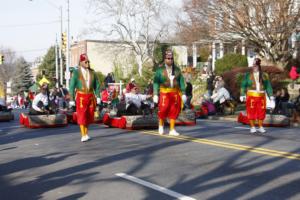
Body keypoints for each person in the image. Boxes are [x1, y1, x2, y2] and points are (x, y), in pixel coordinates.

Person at [153, 50, 186, 136]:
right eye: (168, 58)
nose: (170, 60)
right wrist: (155, 94)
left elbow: (181, 81)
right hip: (164, 92)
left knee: (174, 110)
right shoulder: (160, 70)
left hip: (174, 93)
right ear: (164, 59)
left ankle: (172, 129)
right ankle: (160, 125)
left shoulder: (177, 70)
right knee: (163, 109)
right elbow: (156, 82)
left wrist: (184, 93)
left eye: (171, 58)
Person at [69, 53, 101, 142]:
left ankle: (86, 133)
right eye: (85, 62)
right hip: (81, 96)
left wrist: (98, 96)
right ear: (81, 62)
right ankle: (83, 134)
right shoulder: (76, 72)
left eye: (88, 62)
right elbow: (71, 86)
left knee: (89, 115)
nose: (87, 63)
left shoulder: (93, 72)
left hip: (91, 96)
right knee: (82, 115)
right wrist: (71, 99)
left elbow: (97, 86)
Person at [240, 58, 275, 133]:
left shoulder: (264, 75)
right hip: (251, 96)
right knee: (251, 111)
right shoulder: (248, 75)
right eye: (253, 65)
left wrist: (271, 97)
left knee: (261, 111)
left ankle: (260, 126)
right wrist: (242, 94)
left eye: (255, 66)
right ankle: (252, 127)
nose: (254, 67)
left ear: (259, 66)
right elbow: (243, 85)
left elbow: (268, 86)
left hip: (261, 96)